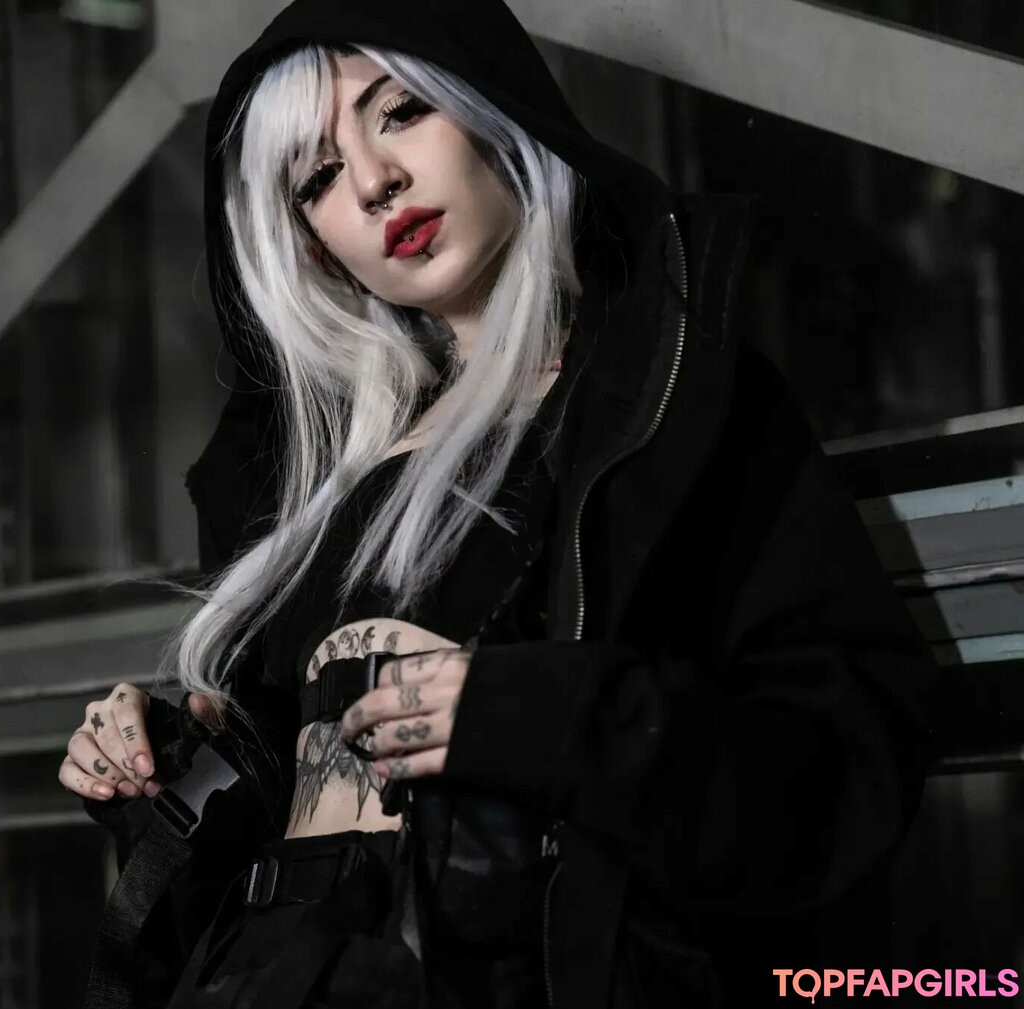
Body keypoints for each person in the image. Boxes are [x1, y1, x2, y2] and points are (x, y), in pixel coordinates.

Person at [58, 0, 941, 1005]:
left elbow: (839, 767)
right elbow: (242, 877)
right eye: (318, 178)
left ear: (490, 106)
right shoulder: (310, 494)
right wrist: (167, 775)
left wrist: (549, 717)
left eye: (400, 113)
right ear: (312, 242)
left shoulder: (666, 410)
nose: (375, 182)